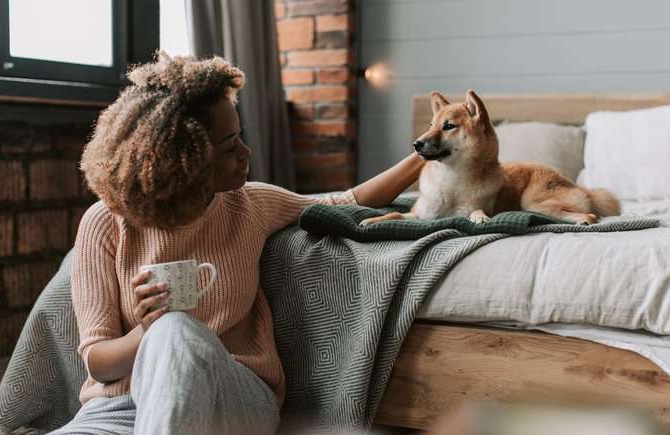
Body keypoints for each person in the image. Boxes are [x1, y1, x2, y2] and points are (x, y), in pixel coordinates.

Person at [50, 53, 424, 435]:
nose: (246, 154)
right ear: (184, 159)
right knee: (166, 331)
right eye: (230, 147)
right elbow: (99, 363)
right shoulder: (105, 223)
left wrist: (425, 155)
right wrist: (146, 330)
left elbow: (347, 201)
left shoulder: (251, 204)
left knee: (176, 332)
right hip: (118, 411)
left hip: (231, 400)